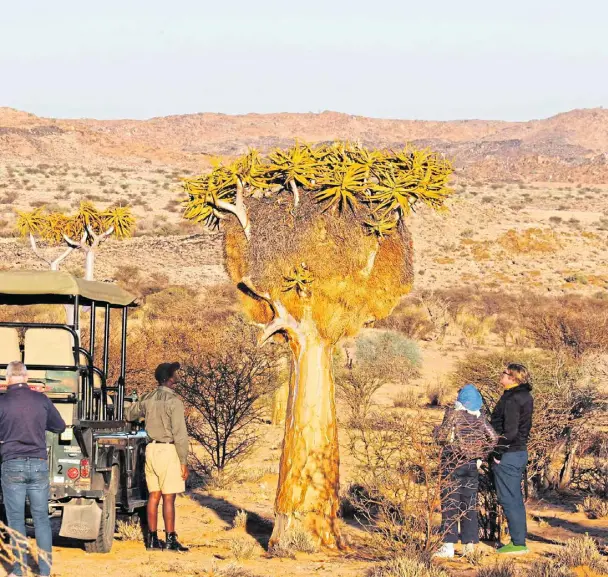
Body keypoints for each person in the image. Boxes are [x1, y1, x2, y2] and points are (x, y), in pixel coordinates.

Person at [0, 361, 66, 577]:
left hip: (12, 464)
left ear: (8, 379)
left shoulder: (2, 402)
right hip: (38, 463)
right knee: (41, 520)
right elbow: (60, 426)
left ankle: (18, 571)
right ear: (26, 378)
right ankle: (44, 572)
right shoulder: (41, 400)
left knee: (16, 520)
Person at [125, 362, 189, 552]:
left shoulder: (148, 398)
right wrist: (183, 461)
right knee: (169, 498)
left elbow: (129, 414)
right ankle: (170, 539)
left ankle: (151, 540)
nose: (176, 375)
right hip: (168, 451)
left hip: (151, 449)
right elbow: (180, 434)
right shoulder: (174, 402)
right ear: (170, 378)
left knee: (154, 495)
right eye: (174, 373)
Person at [434, 384, 498, 559]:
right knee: (469, 506)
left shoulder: (453, 414)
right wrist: (480, 457)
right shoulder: (480, 417)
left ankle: (448, 547)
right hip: (471, 466)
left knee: (450, 505)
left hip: (452, 465)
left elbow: (441, 438)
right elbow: (493, 439)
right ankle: (469, 547)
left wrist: (436, 431)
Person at [490, 363, 533, 555]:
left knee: (508, 498)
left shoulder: (513, 398)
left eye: (505, 373)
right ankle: (519, 540)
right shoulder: (523, 395)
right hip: (518, 452)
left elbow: (511, 431)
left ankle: (517, 544)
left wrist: (498, 452)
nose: (502, 375)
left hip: (509, 453)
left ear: (513, 378)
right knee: (514, 498)